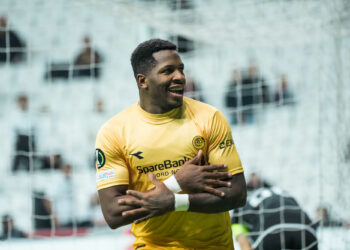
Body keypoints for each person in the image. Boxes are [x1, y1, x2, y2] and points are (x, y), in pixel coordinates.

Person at [95, 39, 247, 249]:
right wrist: (175, 184)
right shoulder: (114, 132)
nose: (180, 77)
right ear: (142, 81)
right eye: (168, 71)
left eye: (181, 69)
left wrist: (175, 202)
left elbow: (237, 194)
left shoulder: (209, 118)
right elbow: (113, 213)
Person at [231, 173, 318, 250]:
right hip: (306, 230)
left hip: (270, 232)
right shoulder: (281, 192)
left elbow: (236, 224)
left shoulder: (245, 200)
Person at [11, 95, 37, 172]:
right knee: (17, 156)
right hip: (20, 137)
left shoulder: (31, 113)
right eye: (21, 102)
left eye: (24, 102)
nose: (23, 104)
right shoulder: (14, 115)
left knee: (30, 159)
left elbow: (34, 126)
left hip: (29, 137)